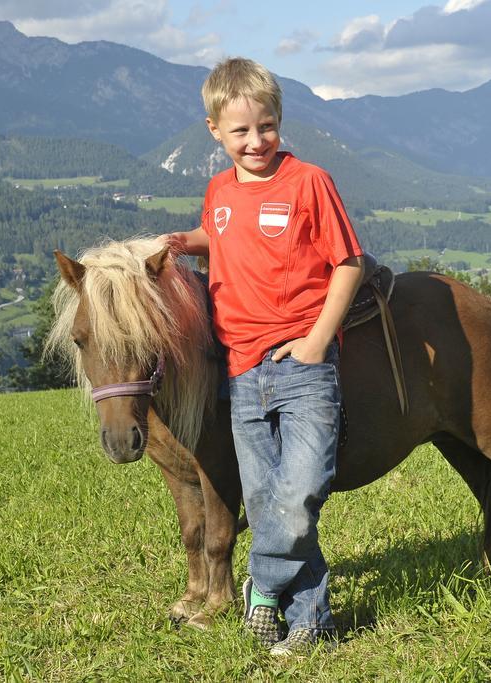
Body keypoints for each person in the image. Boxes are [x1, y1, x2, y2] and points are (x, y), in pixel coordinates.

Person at [158, 57, 363, 656]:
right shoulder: (219, 189)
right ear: (214, 131)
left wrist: (319, 339)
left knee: (300, 494)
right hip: (242, 370)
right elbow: (220, 238)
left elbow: (348, 261)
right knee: (270, 500)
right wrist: (177, 242)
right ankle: (311, 621)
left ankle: (261, 584)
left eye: (267, 126)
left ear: (280, 121)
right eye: (241, 131)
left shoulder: (309, 182)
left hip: (302, 364)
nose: (256, 141)